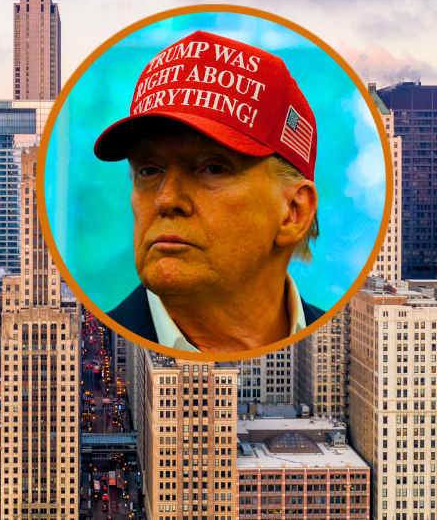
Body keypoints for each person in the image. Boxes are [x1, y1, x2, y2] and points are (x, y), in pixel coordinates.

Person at [93, 30, 324, 354]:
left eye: (214, 168)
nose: (166, 199)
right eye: (149, 170)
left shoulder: (351, 354)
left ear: (293, 211)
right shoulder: (84, 360)